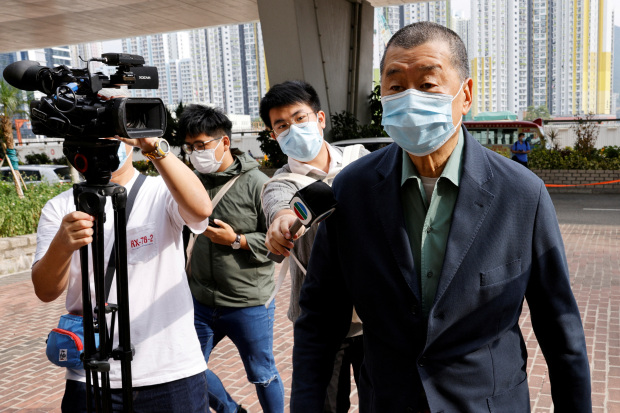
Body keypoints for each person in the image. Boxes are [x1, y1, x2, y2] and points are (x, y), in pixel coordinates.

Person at [290, 22, 591, 413]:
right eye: (396, 86)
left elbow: (559, 329)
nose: (409, 98)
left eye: (427, 84)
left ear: (465, 95)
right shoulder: (352, 190)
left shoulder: (521, 194)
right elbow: (320, 319)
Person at [32, 95, 213, 412]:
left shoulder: (161, 191)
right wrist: (62, 243)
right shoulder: (59, 208)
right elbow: (45, 290)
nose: (106, 142)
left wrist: (152, 145)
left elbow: (201, 209)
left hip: (170, 370)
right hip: (91, 375)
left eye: (112, 132)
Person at [260, 80, 368, 413]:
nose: (293, 129)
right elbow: (279, 209)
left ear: (320, 119)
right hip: (319, 320)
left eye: (299, 118)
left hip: (374, 315)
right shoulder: (280, 184)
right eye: (282, 125)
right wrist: (281, 225)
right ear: (274, 135)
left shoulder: (361, 161)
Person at [179, 104, 283, 413]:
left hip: (247, 301)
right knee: (187, 368)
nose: (195, 153)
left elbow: (278, 244)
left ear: (224, 142)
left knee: (262, 374)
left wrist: (237, 240)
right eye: (190, 147)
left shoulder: (258, 184)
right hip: (200, 300)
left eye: (201, 145)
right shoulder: (191, 182)